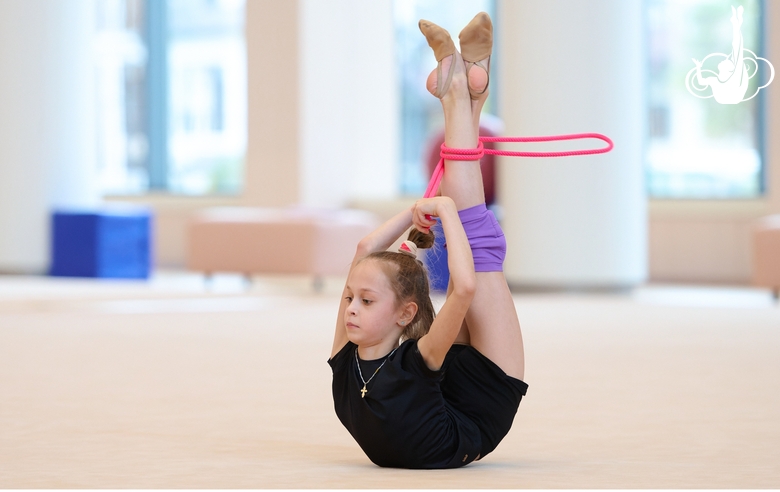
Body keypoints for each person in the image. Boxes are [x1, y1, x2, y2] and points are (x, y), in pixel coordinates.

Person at [328, 12, 527, 469]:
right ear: (406, 314)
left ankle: (465, 94)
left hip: (439, 383)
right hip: (486, 396)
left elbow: (363, 252)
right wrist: (443, 210)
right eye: (353, 300)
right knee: (479, 253)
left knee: (471, 244)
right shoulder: (417, 359)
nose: (350, 308)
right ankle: (461, 95)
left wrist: (412, 211)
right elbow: (464, 287)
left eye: (358, 299)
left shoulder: (344, 361)